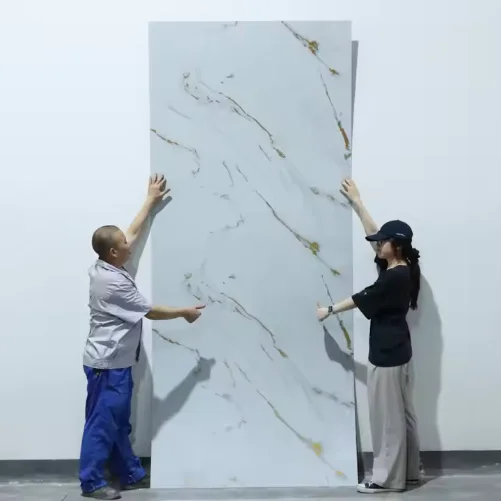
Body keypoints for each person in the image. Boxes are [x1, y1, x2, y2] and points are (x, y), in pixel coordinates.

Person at [80, 174, 205, 500]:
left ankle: (130, 473)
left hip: (115, 362)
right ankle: (91, 482)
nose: (129, 243)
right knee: (102, 423)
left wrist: (150, 199)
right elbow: (150, 311)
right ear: (113, 251)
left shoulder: (106, 264)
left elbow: (132, 233)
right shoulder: (112, 283)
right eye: (123, 243)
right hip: (106, 365)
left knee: (118, 421)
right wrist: (184, 312)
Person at [316, 178, 421, 494]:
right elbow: (375, 234)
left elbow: (361, 297)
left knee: (387, 419)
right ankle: (409, 472)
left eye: (383, 242)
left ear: (395, 246)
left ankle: (387, 479)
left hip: (387, 354)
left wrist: (329, 309)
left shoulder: (391, 278)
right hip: (400, 350)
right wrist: (358, 202)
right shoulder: (406, 266)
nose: (377, 245)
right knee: (403, 415)